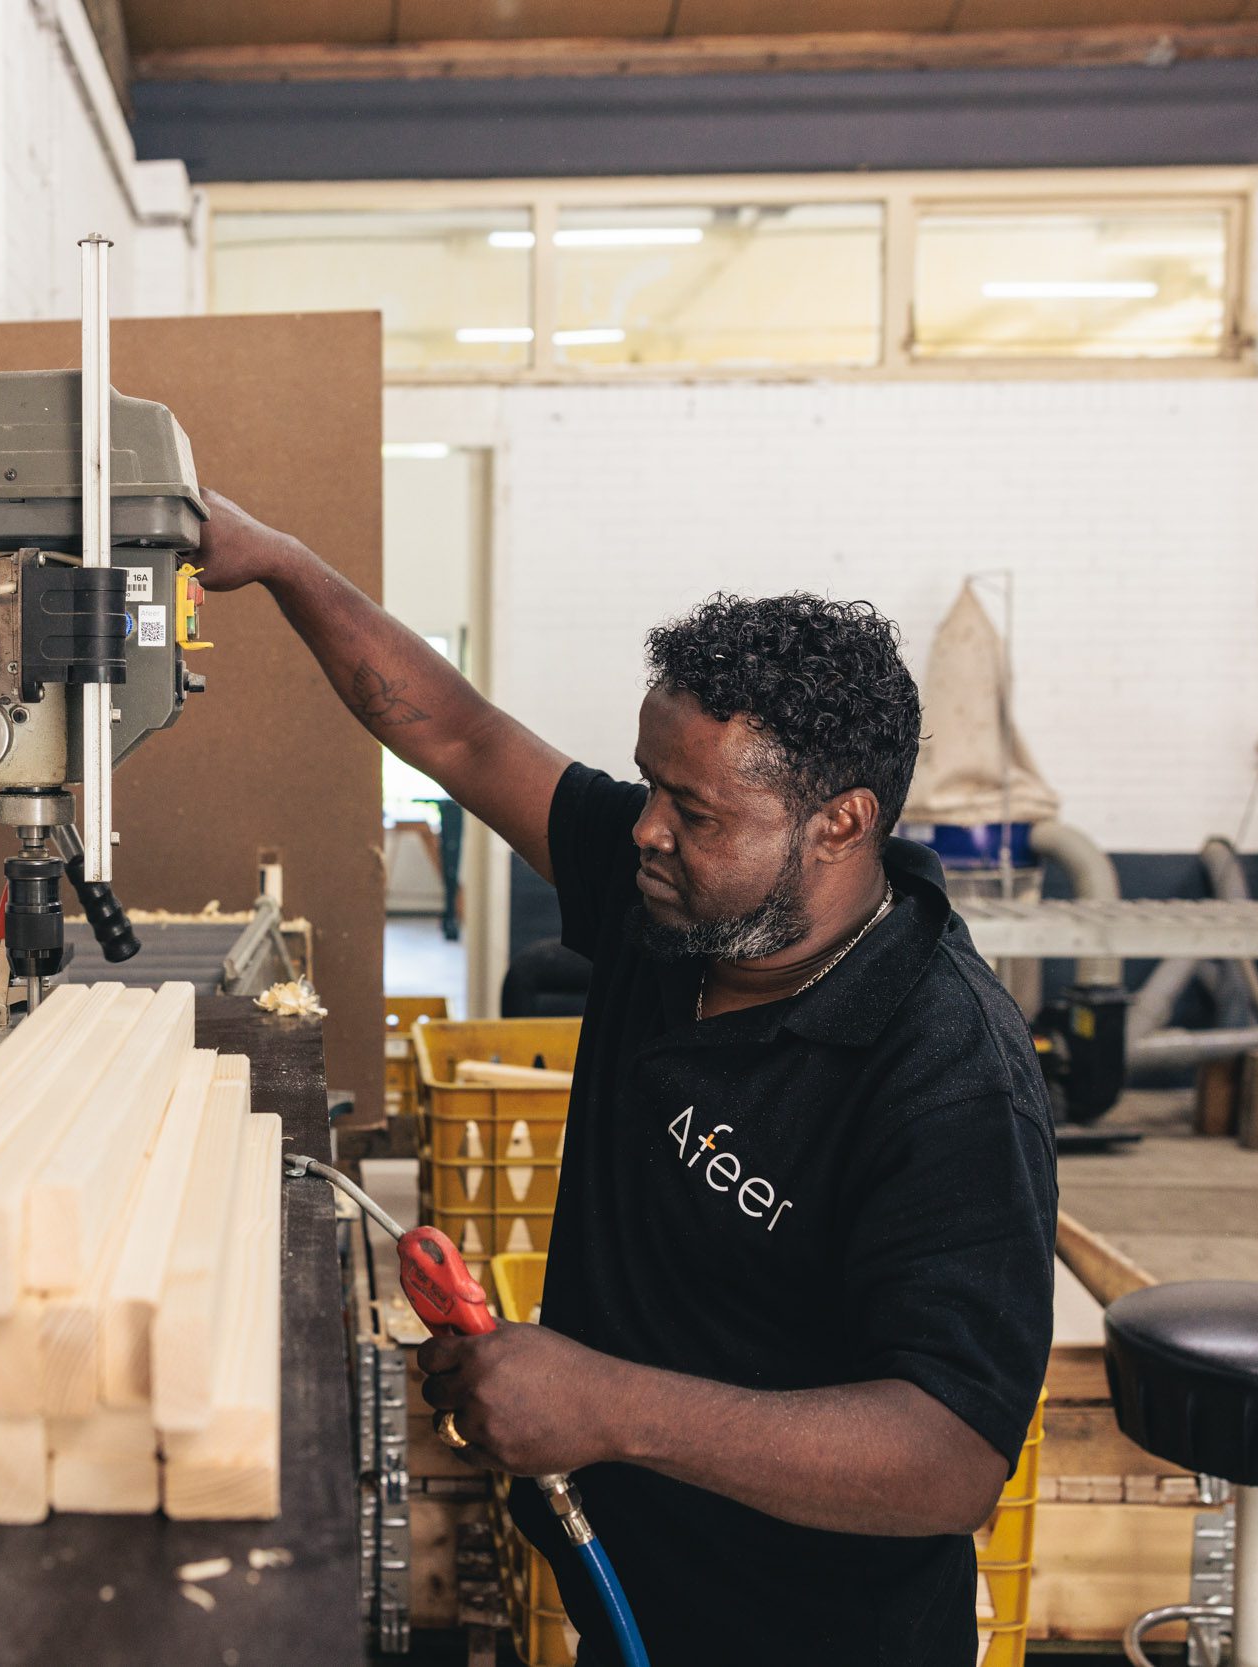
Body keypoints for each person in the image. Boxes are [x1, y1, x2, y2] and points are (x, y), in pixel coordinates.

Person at [194, 491, 1057, 1665]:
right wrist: (284, 558)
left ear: (840, 823)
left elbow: (949, 1458)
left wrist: (605, 1403)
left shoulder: (946, 1074)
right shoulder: (681, 899)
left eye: (690, 807)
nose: (643, 828)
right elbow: (460, 734)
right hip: (627, 1584)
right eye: (649, 784)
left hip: (811, 1631)